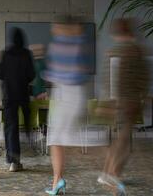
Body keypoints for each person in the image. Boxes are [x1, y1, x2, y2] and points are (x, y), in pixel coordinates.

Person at [97, 18, 150, 196]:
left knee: (119, 139)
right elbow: (144, 79)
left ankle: (108, 173)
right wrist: (140, 97)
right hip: (130, 102)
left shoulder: (111, 51)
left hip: (115, 102)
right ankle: (112, 175)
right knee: (124, 142)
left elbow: (107, 80)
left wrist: (108, 102)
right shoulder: (137, 51)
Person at [43, 20, 92, 195]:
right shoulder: (82, 44)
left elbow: (54, 72)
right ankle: (57, 181)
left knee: (56, 140)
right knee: (60, 140)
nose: (53, 29)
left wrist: (47, 73)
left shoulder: (59, 46)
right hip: (77, 95)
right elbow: (83, 71)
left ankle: (58, 181)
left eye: (57, 26)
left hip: (64, 94)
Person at [0, 27, 35, 172]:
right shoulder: (27, 54)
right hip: (22, 94)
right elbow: (32, 75)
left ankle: (13, 160)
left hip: (8, 95)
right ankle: (26, 148)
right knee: (26, 123)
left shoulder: (5, 54)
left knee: (10, 127)